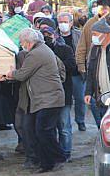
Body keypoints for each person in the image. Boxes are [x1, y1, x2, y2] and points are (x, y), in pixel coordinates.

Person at [6, 28, 67, 173]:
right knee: (43, 131)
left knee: (43, 131)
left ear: (28, 42)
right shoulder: (42, 49)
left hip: (48, 99)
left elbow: (22, 74)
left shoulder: (35, 54)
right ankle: (48, 162)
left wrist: (10, 73)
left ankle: (57, 158)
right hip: (47, 98)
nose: (21, 45)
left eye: (21, 42)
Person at [41, 27, 76, 160]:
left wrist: (54, 66)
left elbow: (72, 66)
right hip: (47, 95)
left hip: (64, 92)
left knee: (64, 126)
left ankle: (66, 152)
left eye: (49, 34)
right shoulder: (39, 52)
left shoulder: (65, 49)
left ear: (55, 35)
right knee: (51, 127)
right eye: (43, 35)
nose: (46, 37)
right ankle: (56, 153)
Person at [76, 0, 110, 77]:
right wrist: (81, 66)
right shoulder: (90, 24)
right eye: (101, 8)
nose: (103, 11)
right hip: (94, 66)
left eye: (105, 8)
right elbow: (82, 46)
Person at [57, 12, 86, 131]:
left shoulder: (78, 35)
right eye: (60, 22)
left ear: (71, 23)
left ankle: (80, 120)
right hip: (60, 75)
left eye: (65, 22)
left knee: (80, 98)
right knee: (64, 102)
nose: (63, 24)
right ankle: (65, 124)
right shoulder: (55, 37)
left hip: (76, 73)